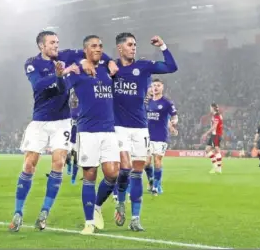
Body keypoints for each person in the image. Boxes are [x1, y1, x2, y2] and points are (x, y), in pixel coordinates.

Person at [8, 30, 117, 233]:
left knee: (58, 161)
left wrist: (110, 61)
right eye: (52, 43)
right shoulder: (32, 63)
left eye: (57, 42)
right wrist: (65, 71)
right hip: (39, 121)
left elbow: (93, 50)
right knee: (30, 163)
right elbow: (39, 85)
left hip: (62, 121)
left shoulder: (65, 55)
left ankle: (45, 212)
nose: (56, 46)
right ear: (41, 45)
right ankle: (18, 212)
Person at [93, 33, 177, 232]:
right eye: (130, 45)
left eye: (135, 45)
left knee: (137, 173)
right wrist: (107, 60)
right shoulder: (111, 67)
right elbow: (90, 57)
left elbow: (172, 67)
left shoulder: (144, 66)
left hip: (140, 127)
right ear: (120, 48)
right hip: (118, 127)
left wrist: (163, 46)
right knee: (124, 168)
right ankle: (120, 201)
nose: (134, 48)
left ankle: (135, 218)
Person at [62, 35, 120, 235]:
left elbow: (111, 60)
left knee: (113, 173)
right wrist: (72, 68)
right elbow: (63, 84)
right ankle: (89, 223)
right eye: (94, 46)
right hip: (87, 131)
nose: (99, 49)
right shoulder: (77, 71)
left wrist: (110, 60)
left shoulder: (106, 68)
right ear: (85, 50)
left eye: (101, 46)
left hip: (109, 129)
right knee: (90, 175)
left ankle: (96, 205)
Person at [146, 78, 178, 195]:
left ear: (162, 87)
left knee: (157, 160)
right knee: (146, 162)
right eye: (154, 85)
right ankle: (151, 180)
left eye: (158, 85)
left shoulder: (167, 102)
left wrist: (173, 124)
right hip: (147, 135)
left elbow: (173, 116)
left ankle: (156, 186)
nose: (155, 87)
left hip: (161, 135)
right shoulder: (148, 102)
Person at [202, 103, 224, 174]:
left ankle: (218, 168)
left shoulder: (217, 116)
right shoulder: (217, 115)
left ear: (213, 108)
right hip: (214, 135)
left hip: (216, 135)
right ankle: (216, 167)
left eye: (210, 107)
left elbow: (214, 126)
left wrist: (206, 133)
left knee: (217, 150)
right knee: (207, 150)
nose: (210, 109)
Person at [65, 90, 80, 184]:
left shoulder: (82, 109)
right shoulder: (68, 111)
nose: (74, 100)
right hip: (69, 135)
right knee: (67, 156)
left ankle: (73, 178)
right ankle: (68, 164)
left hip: (78, 135)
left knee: (76, 158)